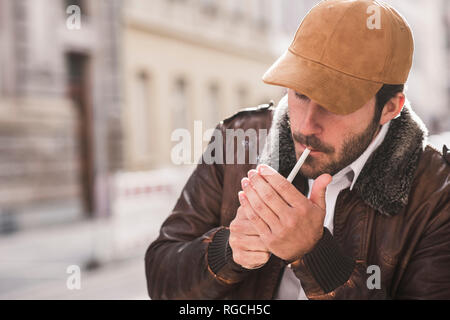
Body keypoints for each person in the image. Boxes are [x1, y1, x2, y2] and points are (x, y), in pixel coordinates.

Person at [145, 0, 450, 299]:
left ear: (390, 108)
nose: (306, 126)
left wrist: (315, 255)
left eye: (335, 105)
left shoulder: (436, 191)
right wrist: (227, 251)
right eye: (301, 94)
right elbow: (161, 278)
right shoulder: (240, 140)